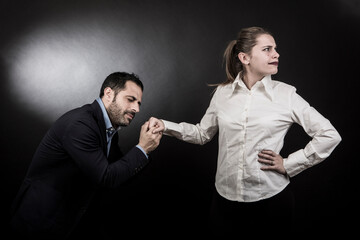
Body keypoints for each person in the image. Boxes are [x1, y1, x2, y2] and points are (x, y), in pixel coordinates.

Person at [148, 26, 342, 236]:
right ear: (245, 57)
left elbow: (329, 135)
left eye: (275, 48)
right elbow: (202, 134)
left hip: (272, 202)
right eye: (267, 49)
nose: (276, 54)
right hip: (224, 202)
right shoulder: (222, 93)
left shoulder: (286, 95)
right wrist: (165, 125)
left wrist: (289, 164)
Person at [10, 71, 163, 239]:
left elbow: (121, 174)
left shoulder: (109, 129)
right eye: (131, 99)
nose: (137, 109)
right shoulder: (81, 124)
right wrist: (142, 148)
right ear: (109, 93)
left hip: (69, 221)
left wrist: (146, 149)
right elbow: (107, 177)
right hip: (38, 221)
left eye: (139, 103)